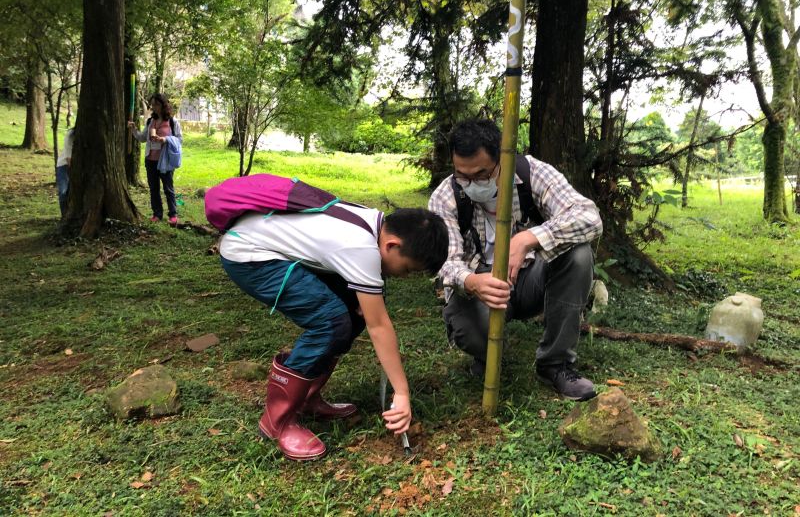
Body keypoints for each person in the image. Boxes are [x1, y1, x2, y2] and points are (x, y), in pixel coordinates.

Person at [219, 202, 448, 461]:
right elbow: (379, 326)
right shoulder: (361, 247)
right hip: (249, 254)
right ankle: (278, 422)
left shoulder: (376, 225)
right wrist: (402, 392)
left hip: (268, 245)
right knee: (330, 323)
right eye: (406, 269)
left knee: (353, 313)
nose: (404, 276)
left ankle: (306, 398)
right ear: (391, 245)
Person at [428, 119, 603, 401]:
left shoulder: (531, 173)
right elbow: (446, 262)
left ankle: (555, 364)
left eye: (482, 174)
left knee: (579, 254)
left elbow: (589, 217)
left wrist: (528, 238)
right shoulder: (445, 196)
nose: (472, 184)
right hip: (480, 286)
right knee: (470, 328)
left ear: (502, 159)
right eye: (462, 175)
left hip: (530, 275)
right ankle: (487, 355)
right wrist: (471, 282)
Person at [128, 93, 183, 226]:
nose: (154, 107)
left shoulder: (172, 122)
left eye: (157, 104)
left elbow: (180, 140)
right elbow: (142, 138)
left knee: (168, 188)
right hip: (150, 160)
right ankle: (157, 214)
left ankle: (173, 214)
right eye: (152, 104)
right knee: (154, 188)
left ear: (163, 105)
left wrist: (165, 139)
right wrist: (134, 130)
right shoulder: (150, 121)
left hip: (165, 161)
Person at [56, 127, 75, 216]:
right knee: (63, 191)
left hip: (74, 166)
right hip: (64, 165)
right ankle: (64, 215)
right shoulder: (70, 135)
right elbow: (68, 158)